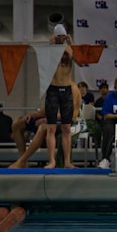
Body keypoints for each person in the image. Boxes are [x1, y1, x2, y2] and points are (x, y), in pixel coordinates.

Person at [9, 82, 82, 168]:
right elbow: (44, 111)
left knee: (43, 127)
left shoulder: (71, 88)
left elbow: (70, 113)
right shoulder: (54, 86)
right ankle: (23, 161)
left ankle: (22, 160)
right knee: (17, 125)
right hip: (52, 118)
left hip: (66, 121)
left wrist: (47, 119)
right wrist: (32, 115)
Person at [45, 24, 81, 169]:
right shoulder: (49, 50)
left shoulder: (69, 49)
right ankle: (52, 161)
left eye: (62, 37)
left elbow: (80, 62)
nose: (61, 39)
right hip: (52, 90)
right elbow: (45, 64)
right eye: (58, 36)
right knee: (51, 128)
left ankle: (67, 162)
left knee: (66, 128)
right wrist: (51, 45)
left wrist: (71, 44)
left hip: (66, 90)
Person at [98, 76, 117, 169]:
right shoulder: (110, 96)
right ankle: (106, 159)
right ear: (115, 88)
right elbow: (106, 115)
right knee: (108, 129)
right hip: (114, 120)